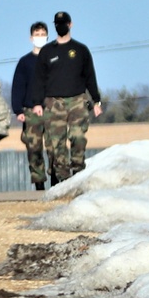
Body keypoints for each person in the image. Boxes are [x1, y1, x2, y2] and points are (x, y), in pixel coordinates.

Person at [31, 11, 103, 185]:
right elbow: (38, 79)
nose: (60, 26)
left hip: (77, 100)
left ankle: (78, 173)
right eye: (57, 23)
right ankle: (63, 181)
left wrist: (96, 101)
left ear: (70, 25)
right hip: (54, 103)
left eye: (63, 23)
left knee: (78, 138)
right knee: (58, 145)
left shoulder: (80, 50)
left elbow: (90, 76)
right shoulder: (47, 52)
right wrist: (37, 103)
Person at [12, 21, 51, 190]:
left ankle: (57, 179)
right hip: (30, 111)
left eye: (43, 35)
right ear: (31, 38)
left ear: (48, 37)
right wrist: (18, 110)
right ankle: (39, 183)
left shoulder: (53, 59)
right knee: (34, 148)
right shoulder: (25, 62)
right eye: (37, 35)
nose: (40, 38)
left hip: (51, 108)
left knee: (55, 148)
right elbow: (18, 86)